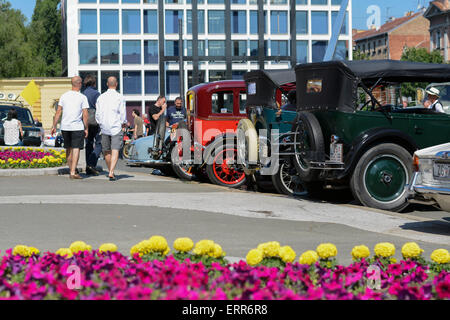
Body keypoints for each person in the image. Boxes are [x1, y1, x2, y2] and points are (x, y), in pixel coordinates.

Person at [51, 76, 89, 180]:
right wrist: (86, 128)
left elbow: (58, 112)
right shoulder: (82, 97)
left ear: (72, 84)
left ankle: (71, 169)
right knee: (76, 148)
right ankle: (73, 171)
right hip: (77, 127)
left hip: (65, 127)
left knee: (68, 148)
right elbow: (85, 114)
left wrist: (54, 126)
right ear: (80, 84)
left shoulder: (64, 96)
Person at [95, 76, 127, 182]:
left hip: (104, 127)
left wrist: (100, 123)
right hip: (116, 126)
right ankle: (111, 171)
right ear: (116, 84)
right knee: (115, 149)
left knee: (106, 150)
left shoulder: (101, 97)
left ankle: (110, 170)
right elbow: (122, 112)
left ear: (107, 84)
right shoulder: (120, 97)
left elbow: (98, 113)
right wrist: (123, 123)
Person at [82, 75, 102, 176]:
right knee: (99, 143)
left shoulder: (83, 93)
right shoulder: (97, 94)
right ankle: (91, 164)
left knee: (88, 143)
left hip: (85, 122)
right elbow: (100, 108)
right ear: (94, 83)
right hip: (95, 121)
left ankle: (88, 167)